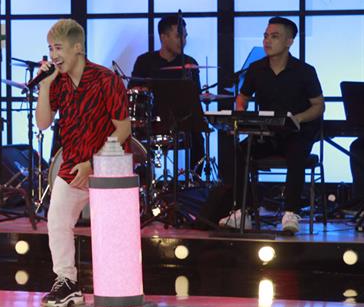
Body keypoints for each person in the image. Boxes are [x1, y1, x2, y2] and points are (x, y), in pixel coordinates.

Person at [35, 19, 131, 307]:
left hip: (109, 165)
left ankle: (118, 286)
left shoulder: (106, 80)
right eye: (50, 49)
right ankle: (67, 282)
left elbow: (124, 129)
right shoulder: (58, 82)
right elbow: (43, 123)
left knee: (110, 230)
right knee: (57, 218)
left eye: (58, 48)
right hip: (74, 164)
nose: (53, 55)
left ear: (78, 47)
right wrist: (44, 86)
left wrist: (94, 163)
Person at [222, 17, 325, 234]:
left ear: (289, 41)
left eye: (274, 36)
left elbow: (318, 106)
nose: (267, 41)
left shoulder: (304, 71)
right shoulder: (256, 69)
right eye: (266, 36)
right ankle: (244, 211)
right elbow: (242, 98)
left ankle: (291, 212)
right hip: (267, 133)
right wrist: (241, 115)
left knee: (296, 151)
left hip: (296, 132)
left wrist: (298, 118)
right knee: (240, 150)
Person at [129, 15, 205, 171]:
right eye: (178, 36)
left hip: (181, 121)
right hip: (152, 121)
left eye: (185, 36)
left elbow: (195, 96)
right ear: (163, 37)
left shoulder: (190, 63)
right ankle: (143, 177)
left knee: (197, 136)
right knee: (133, 135)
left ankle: (194, 178)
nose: (183, 41)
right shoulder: (144, 61)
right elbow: (133, 91)